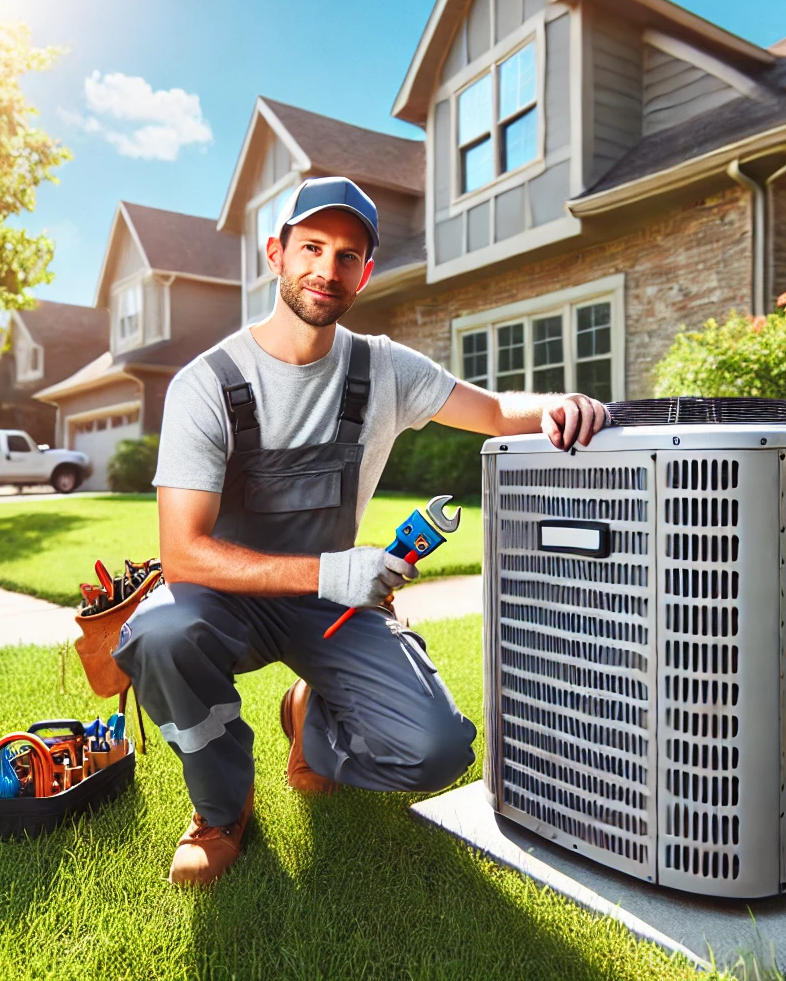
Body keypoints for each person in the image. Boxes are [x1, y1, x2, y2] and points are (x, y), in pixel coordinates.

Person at [115, 176, 610, 886]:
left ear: (366, 271)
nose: (327, 268)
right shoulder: (208, 383)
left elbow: (497, 411)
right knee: (159, 635)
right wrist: (327, 573)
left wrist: (560, 403)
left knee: (435, 751)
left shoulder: (384, 369)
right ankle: (221, 809)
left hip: (333, 607)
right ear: (275, 254)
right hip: (224, 599)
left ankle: (309, 724)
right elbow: (182, 554)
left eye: (348, 255)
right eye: (311, 247)